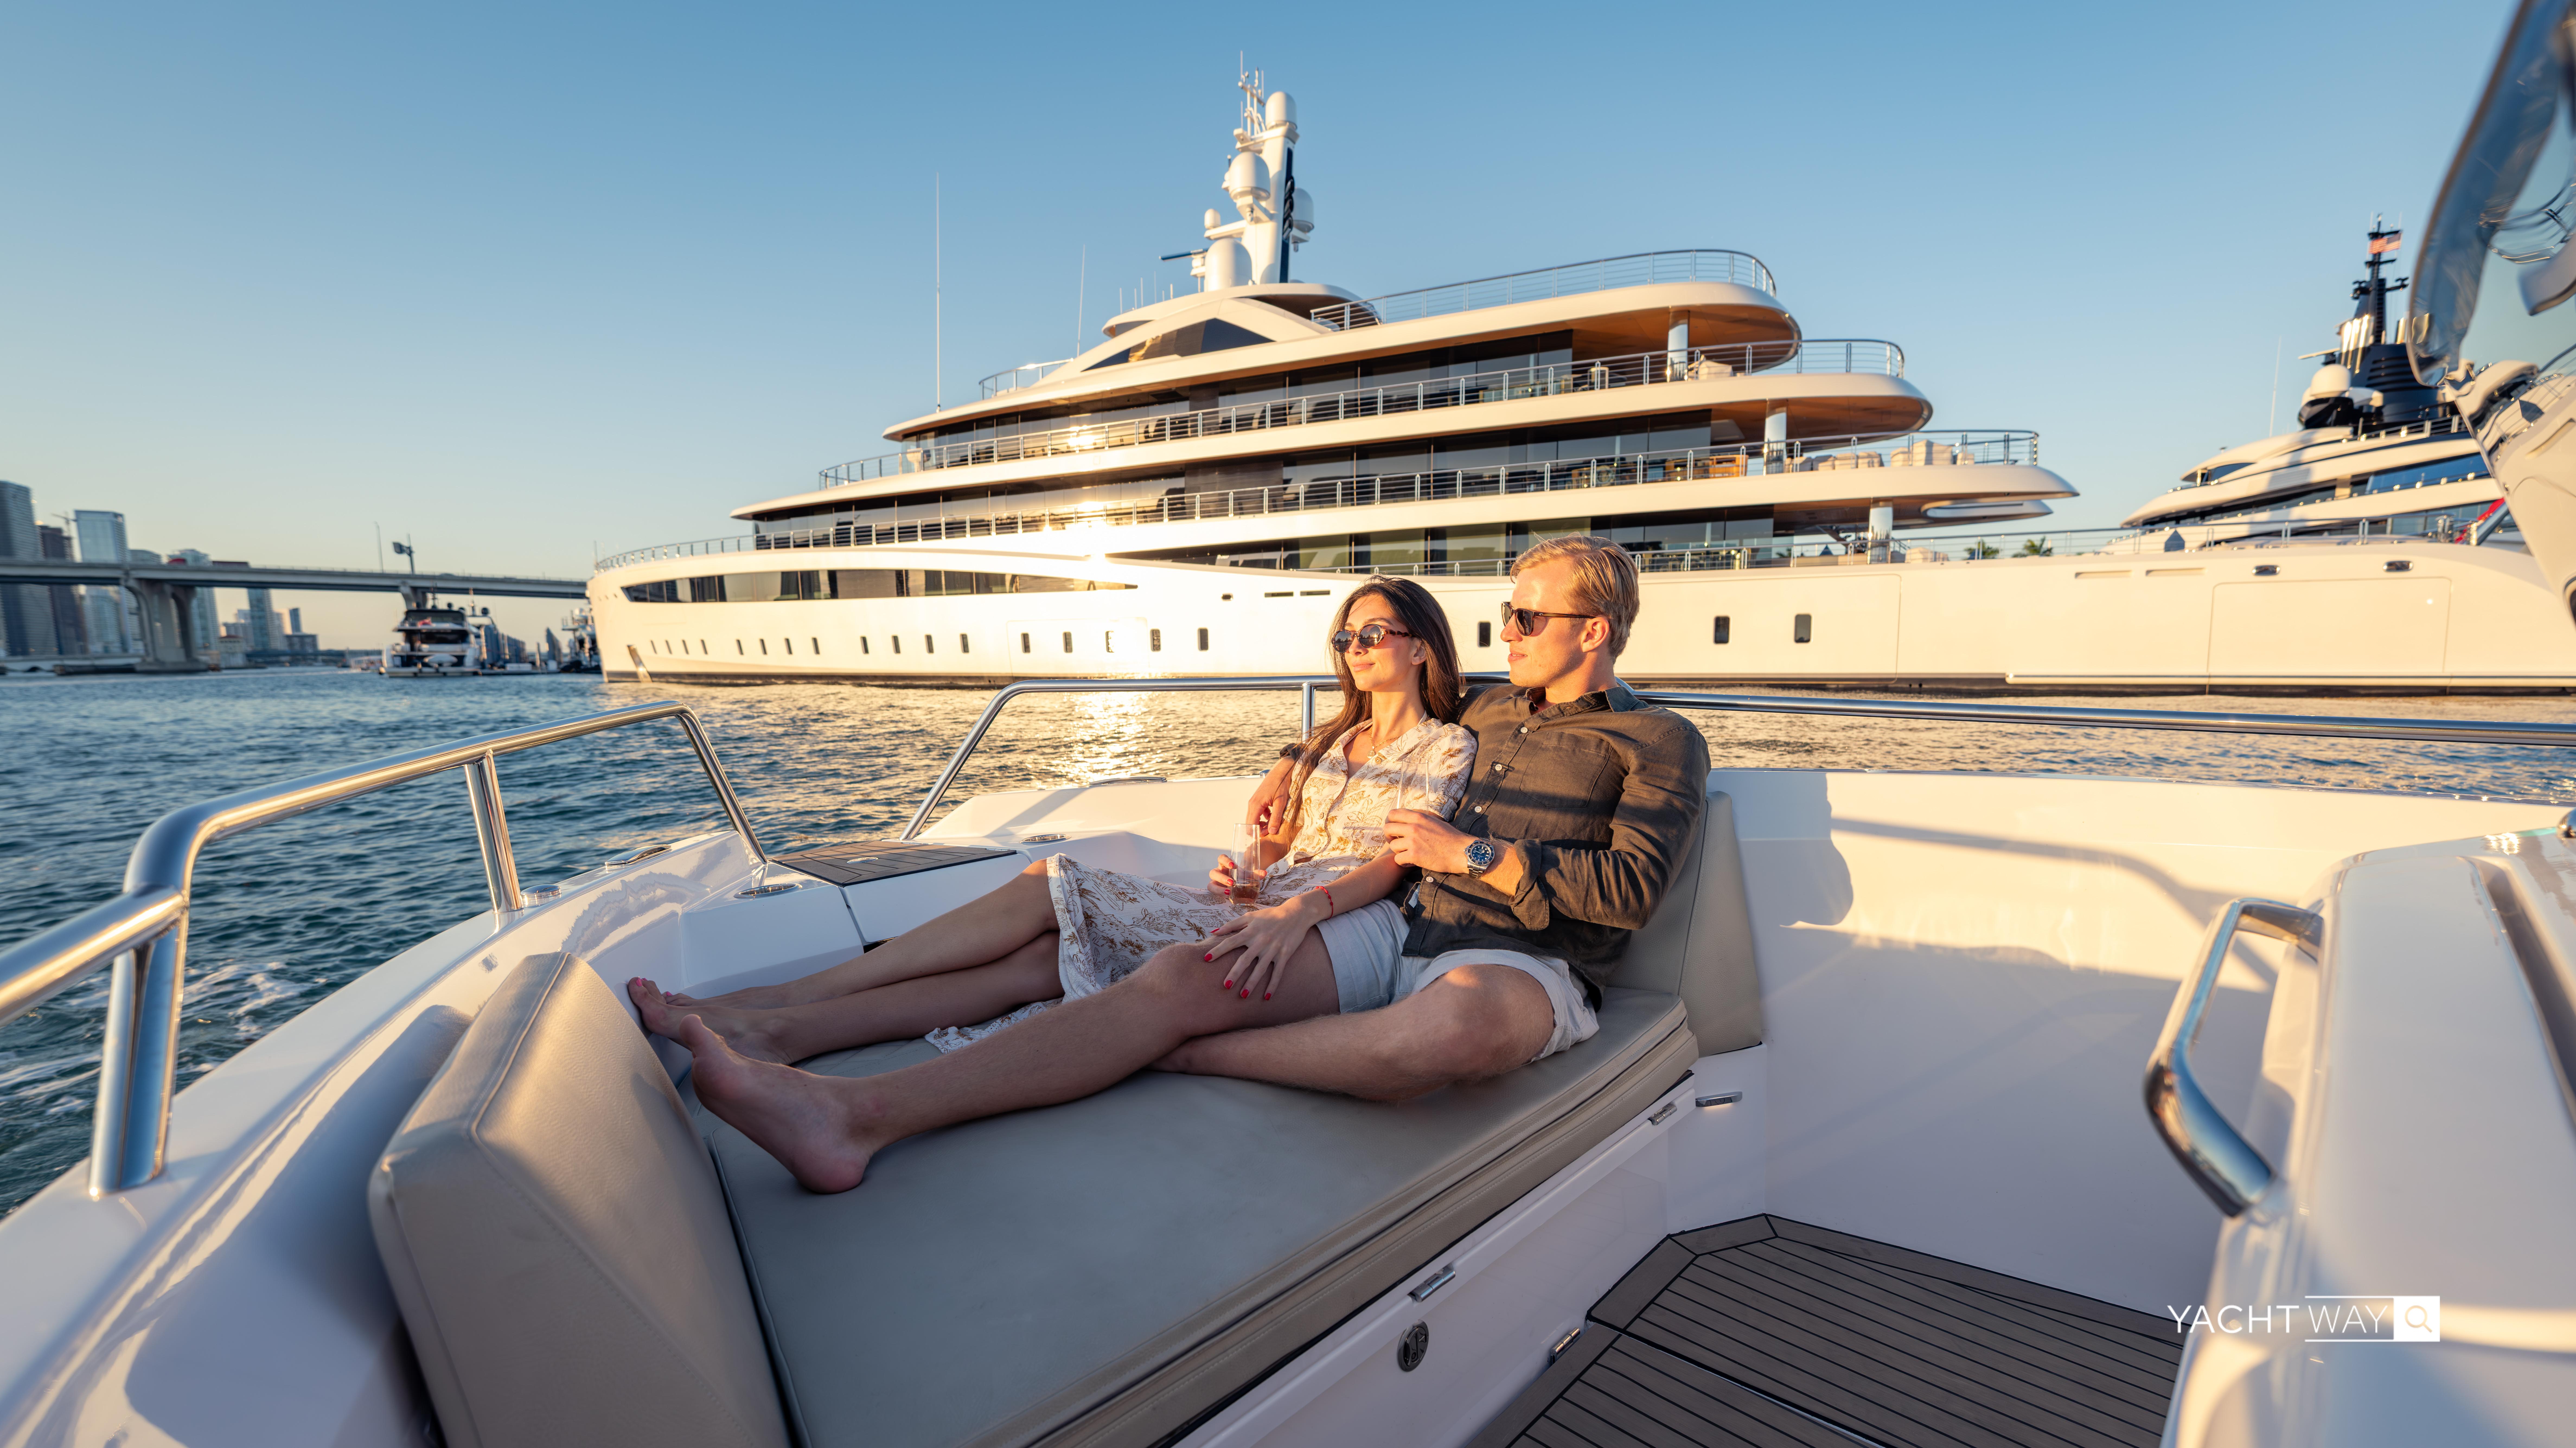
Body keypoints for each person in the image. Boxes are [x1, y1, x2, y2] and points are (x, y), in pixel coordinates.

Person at [674, 535, 1709, 1193]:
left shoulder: (1658, 740)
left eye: (1525, 617)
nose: (1505, 630)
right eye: (1503, 615)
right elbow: (1386, 711)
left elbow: (1627, 894)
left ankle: (1172, 1051)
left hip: (1523, 957)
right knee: (1173, 973)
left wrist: (1473, 852)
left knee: (1452, 1027)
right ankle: (845, 1104)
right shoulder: (1485, 705)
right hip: (1398, 929)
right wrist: (1292, 761)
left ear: (1594, 631)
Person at [628, 575, 1476, 1064]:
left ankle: (786, 1005)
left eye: (1373, 632)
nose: (1354, 648)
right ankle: (784, 1026)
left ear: (1420, 646)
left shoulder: (1445, 746)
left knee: (1049, 880)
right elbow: (1283, 845)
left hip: (1321, 920)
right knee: (1039, 960)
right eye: (1344, 637)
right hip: (1262, 906)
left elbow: (1398, 860)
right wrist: (1250, 867)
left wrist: (1298, 909)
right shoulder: (1327, 742)